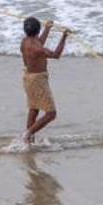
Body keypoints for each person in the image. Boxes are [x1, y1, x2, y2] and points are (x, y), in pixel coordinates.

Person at [19, 16, 70, 144]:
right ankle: (28, 134)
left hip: (28, 77)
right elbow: (56, 55)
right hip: (37, 80)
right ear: (37, 31)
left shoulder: (25, 41)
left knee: (34, 108)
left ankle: (28, 142)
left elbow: (39, 42)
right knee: (51, 114)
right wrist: (64, 37)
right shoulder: (38, 49)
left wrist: (47, 29)